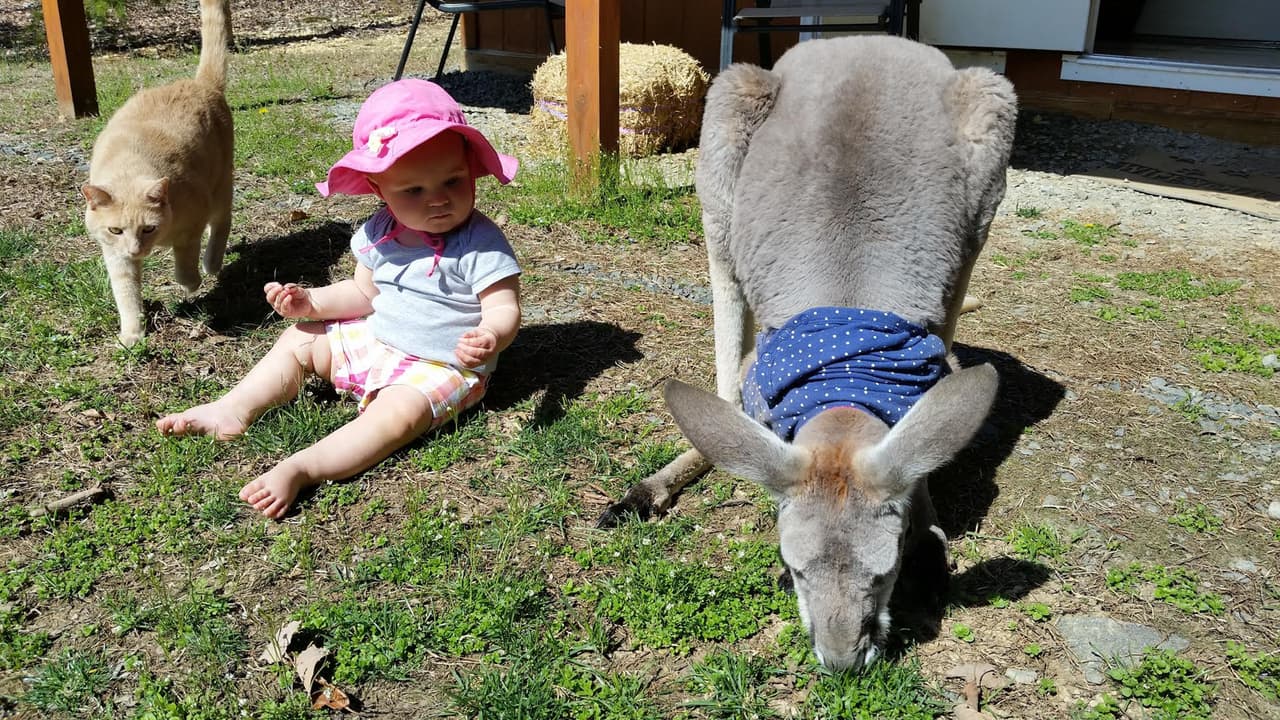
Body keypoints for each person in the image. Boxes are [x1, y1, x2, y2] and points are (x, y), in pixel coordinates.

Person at [156, 79, 522, 519]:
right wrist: (310, 304)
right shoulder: (379, 233)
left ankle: (303, 467)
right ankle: (234, 408)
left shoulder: (480, 242)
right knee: (302, 337)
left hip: (440, 365)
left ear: (470, 168)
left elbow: (504, 307)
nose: (439, 199)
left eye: (453, 180)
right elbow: (363, 293)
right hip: (379, 339)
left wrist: (490, 334)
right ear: (378, 188)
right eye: (414, 190)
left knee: (397, 416)